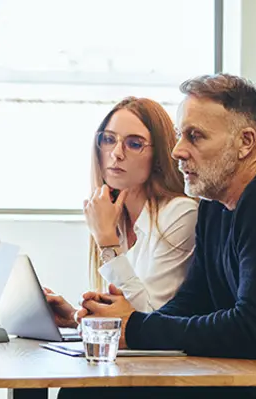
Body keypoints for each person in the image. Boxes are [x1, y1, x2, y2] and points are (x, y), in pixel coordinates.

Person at [58, 74, 256, 399]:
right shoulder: (217, 206)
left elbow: (253, 330)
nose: (177, 151)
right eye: (178, 136)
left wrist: (137, 328)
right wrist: (125, 324)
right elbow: (193, 301)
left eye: (194, 136)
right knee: (88, 393)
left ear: (246, 142)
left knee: (91, 398)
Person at [44, 97, 198, 328]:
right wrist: (76, 317)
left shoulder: (181, 213)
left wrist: (107, 241)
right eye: (108, 139)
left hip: (169, 361)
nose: (116, 153)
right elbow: (121, 318)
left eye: (134, 144)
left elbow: (148, 321)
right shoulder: (113, 214)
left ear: (159, 156)